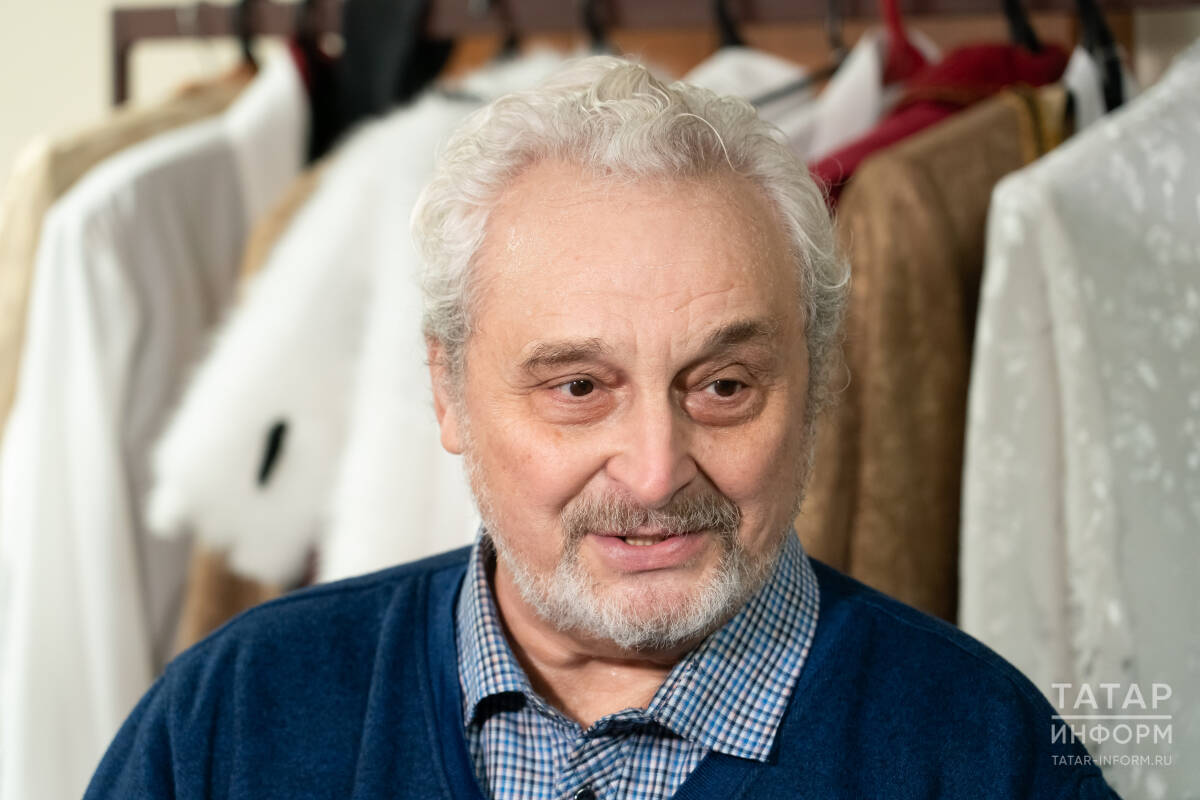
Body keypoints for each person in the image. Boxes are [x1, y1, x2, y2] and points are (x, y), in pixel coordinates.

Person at [85, 56, 1117, 799]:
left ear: (813, 386)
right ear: (447, 390)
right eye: (579, 386)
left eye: (723, 386)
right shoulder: (233, 721)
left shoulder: (991, 755)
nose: (656, 472)